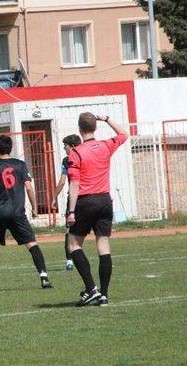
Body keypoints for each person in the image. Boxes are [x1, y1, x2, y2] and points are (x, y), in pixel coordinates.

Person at [0, 135, 53, 292]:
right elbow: (29, 187)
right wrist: (34, 207)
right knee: (32, 243)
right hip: (17, 212)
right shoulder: (20, 165)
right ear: (10, 148)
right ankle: (44, 277)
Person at [67, 113, 127, 307]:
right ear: (96, 127)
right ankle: (104, 295)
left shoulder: (76, 152)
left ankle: (91, 289)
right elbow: (123, 134)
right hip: (104, 200)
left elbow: (74, 184)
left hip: (86, 201)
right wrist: (108, 118)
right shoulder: (105, 145)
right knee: (103, 247)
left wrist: (71, 211)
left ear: (79, 129)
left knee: (73, 245)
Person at [51, 134, 82, 271]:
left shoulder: (67, 160)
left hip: (74, 198)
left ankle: (69, 261)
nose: (64, 148)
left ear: (73, 146)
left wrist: (54, 197)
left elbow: (63, 181)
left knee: (69, 230)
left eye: (66, 146)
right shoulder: (87, 155)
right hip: (90, 195)